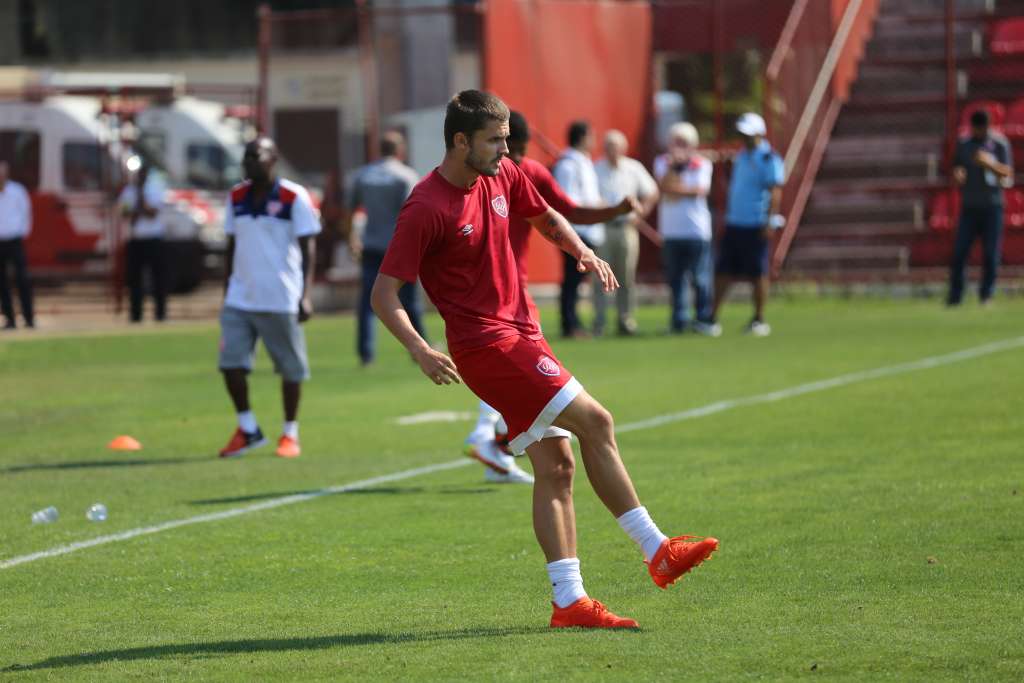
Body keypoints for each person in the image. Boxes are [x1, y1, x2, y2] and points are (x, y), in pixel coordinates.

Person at [372, 90, 718, 629]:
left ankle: (569, 601)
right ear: (461, 141)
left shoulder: (504, 174)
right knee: (596, 421)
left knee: (557, 467)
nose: (506, 149)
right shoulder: (426, 205)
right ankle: (658, 550)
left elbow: (546, 214)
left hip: (523, 335)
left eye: (507, 137)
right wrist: (419, 348)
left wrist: (581, 250)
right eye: (495, 139)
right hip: (488, 347)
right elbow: (384, 292)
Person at [463, 111, 638, 484]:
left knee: (511, 366)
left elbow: (561, 214)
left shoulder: (493, 174)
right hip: (506, 293)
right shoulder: (516, 172)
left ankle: (497, 445)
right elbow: (570, 211)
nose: (507, 153)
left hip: (493, 290)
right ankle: (485, 432)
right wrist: (615, 211)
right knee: (526, 365)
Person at [217, 137, 320, 459]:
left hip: (280, 296)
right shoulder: (236, 196)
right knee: (230, 364)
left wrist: (305, 295)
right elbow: (231, 244)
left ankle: (290, 433)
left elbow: (308, 248)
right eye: (245, 156)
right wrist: (226, 288)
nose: (248, 162)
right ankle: (248, 429)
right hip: (241, 296)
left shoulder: (293, 196)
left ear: (273, 159)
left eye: (255, 156)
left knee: (290, 370)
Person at [348, 131, 427, 366]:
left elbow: (350, 210)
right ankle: (420, 348)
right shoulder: (405, 176)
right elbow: (412, 213)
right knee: (410, 301)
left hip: (371, 246)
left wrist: (352, 238)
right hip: (399, 247)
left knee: (367, 301)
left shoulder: (363, 175)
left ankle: (366, 353)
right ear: (400, 150)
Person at [711, 112, 785, 336]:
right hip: (735, 222)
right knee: (723, 270)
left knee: (757, 273)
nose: (744, 138)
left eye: (748, 134)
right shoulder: (742, 155)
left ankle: (759, 318)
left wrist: (769, 221)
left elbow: (775, 191)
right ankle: (711, 318)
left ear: (759, 134)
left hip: (756, 223)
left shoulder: (768, 158)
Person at [654, 122, 719, 336]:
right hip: (671, 232)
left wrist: (675, 189)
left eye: (684, 143)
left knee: (700, 277)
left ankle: (702, 318)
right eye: (676, 142)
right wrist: (674, 169)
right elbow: (663, 187)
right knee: (675, 278)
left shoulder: (702, 164)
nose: (679, 147)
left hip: (696, 230)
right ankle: (678, 321)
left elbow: (699, 190)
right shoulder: (663, 162)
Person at [594, 130, 659, 336]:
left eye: (615, 146)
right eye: (608, 146)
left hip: (626, 228)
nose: (612, 151)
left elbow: (652, 192)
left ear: (623, 148)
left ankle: (626, 319)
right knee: (600, 276)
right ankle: (600, 320)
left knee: (626, 276)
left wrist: (640, 215)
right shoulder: (596, 168)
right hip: (603, 227)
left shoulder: (633, 168)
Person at [947, 109, 1014, 306]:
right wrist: (958, 174)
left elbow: (1008, 174)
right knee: (960, 252)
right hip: (969, 207)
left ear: (987, 126)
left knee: (990, 253)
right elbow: (956, 167)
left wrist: (989, 164)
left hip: (992, 207)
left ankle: (986, 295)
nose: (977, 132)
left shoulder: (999, 144)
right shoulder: (964, 144)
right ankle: (955, 296)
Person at [553, 120, 605, 338]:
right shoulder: (568, 165)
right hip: (576, 231)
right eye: (591, 135)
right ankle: (569, 324)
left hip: (588, 229)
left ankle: (574, 322)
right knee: (571, 281)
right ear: (583, 137)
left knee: (577, 281)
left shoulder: (583, 162)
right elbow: (568, 200)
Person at [117, 161, 169, 323]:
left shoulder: (154, 189)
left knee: (158, 278)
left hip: (154, 238)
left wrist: (140, 203)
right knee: (134, 279)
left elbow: (153, 212)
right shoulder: (128, 191)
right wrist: (136, 209)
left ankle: (160, 314)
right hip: (136, 239)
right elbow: (124, 213)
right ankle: (135, 314)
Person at [0, 160, 34, 330]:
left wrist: (23, 232)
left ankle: (29, 318)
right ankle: (10, 319)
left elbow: (26, 212)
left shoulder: (17, 191)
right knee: (2, 283)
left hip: (14, 240)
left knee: (22, 279)